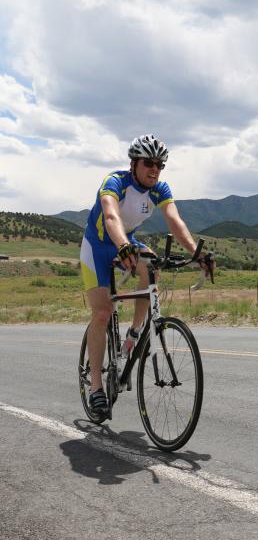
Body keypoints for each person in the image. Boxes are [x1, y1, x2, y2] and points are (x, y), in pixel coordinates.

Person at [80, 134, 212, 418]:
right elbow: (111, 216)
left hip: (126, 242)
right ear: (133, 163)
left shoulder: (159, 189)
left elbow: (176, 222)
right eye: (148, 163)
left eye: (160, 165)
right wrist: (123, 245)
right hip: (98, 246)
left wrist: (197, 253)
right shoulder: (115, 182)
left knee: (152, 266)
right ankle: (95, 388)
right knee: (103, 312)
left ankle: (135, 332)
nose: (155, 169)